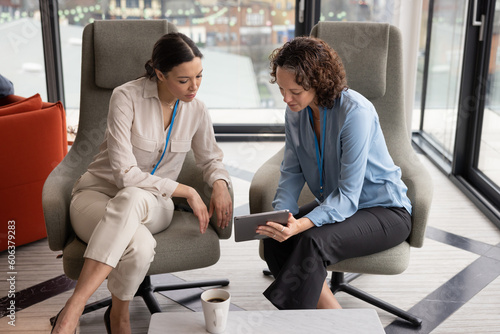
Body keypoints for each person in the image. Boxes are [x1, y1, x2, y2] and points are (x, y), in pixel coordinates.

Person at [51, 32, 232, 334]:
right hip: (96, 197)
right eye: (183, 79)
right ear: (160, 74)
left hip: (154, 205)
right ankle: (119, 316)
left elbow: (210, 159)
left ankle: (74, 308)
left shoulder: (197, 109)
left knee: (134, 198)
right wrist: (187, 191)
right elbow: (124, 174)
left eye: (199, 76)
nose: (194, 86)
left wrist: (221, 184)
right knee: (140, 244)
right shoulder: (125, 97)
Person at [256, 37, 412, 310]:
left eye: (294, 91)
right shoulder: (295, 112)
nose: (286, 98)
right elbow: (292, 172)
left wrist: (301, 225)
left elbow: (349, 195)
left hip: (385, 211)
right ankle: (332, 322)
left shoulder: (355, 113)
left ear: (317, 82)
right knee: (276, 242)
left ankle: (327, 323)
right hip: (337, 207)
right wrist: (283, 217)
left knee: (309, 241)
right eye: (281, 89)